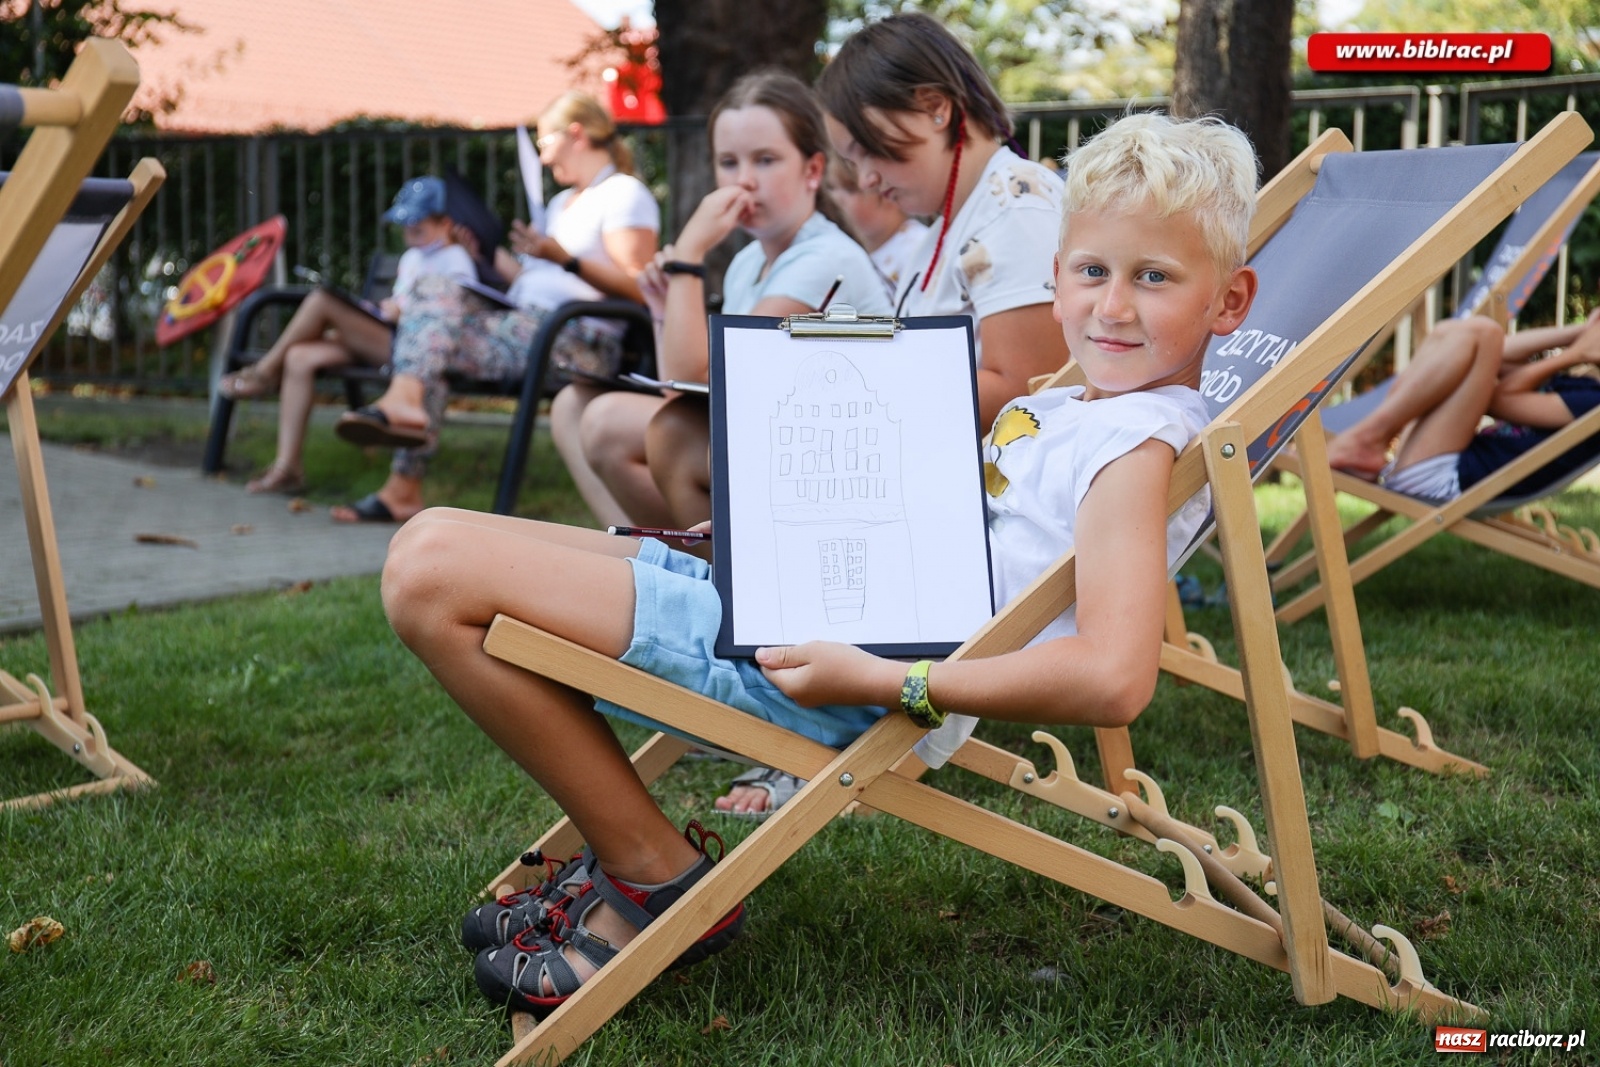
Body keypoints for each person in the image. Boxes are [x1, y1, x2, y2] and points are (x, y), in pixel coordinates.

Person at [378, 110, 1258, 1014]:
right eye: (1091, 272)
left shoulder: (1133, 443)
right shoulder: (1087, 402)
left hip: (838, 671)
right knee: (435, 534)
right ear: (1058, 273)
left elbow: (1114, 677)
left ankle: (650, 871)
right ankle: (626, 848)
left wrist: (891, 677)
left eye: (1153, 278)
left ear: (1228, 302)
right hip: (833, 608)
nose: (1113, 306)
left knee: (430, 572)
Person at [712, 11, 1072, 816]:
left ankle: (806, 725)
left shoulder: (1013, 210)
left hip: (984, 499)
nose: (865, 180)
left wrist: (862, 414)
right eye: (852, 159)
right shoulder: (966, 216)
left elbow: (1025, 387)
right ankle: (784, 704)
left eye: (874, 151)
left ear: (938, 108)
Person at [551, 70, 892, 531]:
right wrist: (659, 306)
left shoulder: (824, 259)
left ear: (812, 170)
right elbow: (683, 391)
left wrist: (689, 256)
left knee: (615, 421)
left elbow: (702, 380)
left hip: (833, 461)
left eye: (766, 160)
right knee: (573, 406)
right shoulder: (749, 262)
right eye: (729, 163)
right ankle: (651, 550)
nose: (745, 180)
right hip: (771, 438)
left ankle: (690, 565)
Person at [328, 91, 659, 524]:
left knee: (432, 339)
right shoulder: (562, 202)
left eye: (545, 143)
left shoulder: (623, 195)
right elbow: (531, 282)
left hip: (577, 339)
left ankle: (403, 448)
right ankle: (403, 458)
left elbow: (641, 286)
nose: (542, 158)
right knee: (437, 293)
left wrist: (566, 259)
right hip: (527, 323)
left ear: (575, 134)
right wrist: (483, 254)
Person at [216, 177, 478, 495]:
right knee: (300, 357)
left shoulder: (455, 260)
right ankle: (288, 468)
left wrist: (401, 312)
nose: (410, 236)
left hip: (411, 349)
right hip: (384, 338)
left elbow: (447, 319)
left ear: (445, 223)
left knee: (321, 301)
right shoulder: (412, 258)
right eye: (405, 228)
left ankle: (265, 372)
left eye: (418, 228)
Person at [1323, 311, 1600, 502]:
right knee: (1449, 332)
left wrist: (1575, 354)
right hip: (1436, 463)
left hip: (1446, 478)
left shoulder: (1594, 405)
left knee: (1484, 333)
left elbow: (1499, 400)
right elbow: (1502, 353)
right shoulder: (1582, 387)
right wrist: (1580, 333)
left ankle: (1369, 439)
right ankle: (1369, 440)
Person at [826, 156, 928, 300]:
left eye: (850, 190)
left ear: (888, 194)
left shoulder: (918, 249)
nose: (836, 198)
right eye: (831, 187)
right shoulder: (848, 252)